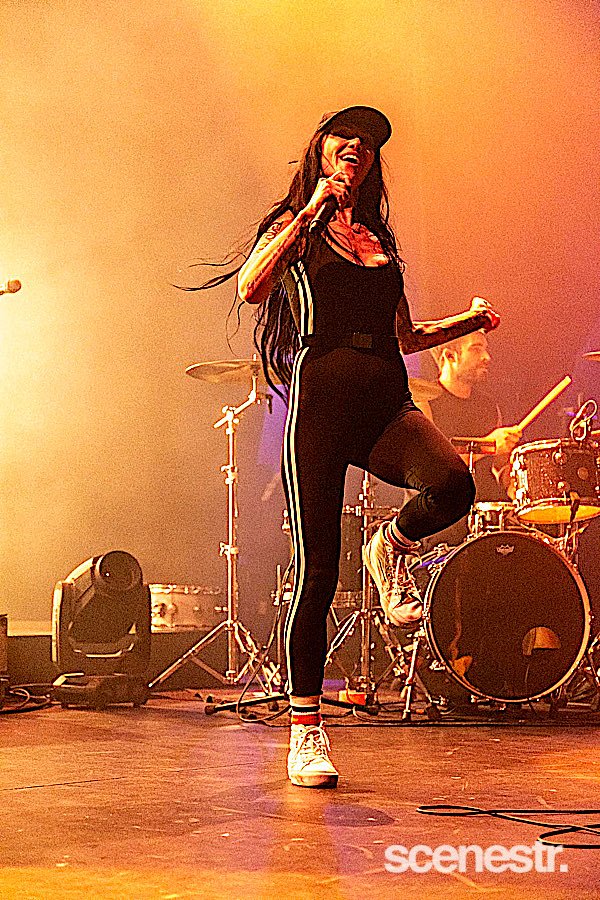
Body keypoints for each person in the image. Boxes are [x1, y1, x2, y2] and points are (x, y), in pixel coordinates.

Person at [233, 105, 500, 788]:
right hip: (321, 403)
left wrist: (468, 322)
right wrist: (312, 211)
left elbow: (406, 336)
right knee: (318, 571)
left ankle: (391, 547)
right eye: (345, 136)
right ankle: (306, 730)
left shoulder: (378, 239)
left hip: (385, 400)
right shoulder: (293, 226)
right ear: (321, 150)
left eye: (369, 142)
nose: (358, 145)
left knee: (454, 485)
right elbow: (251, 287)